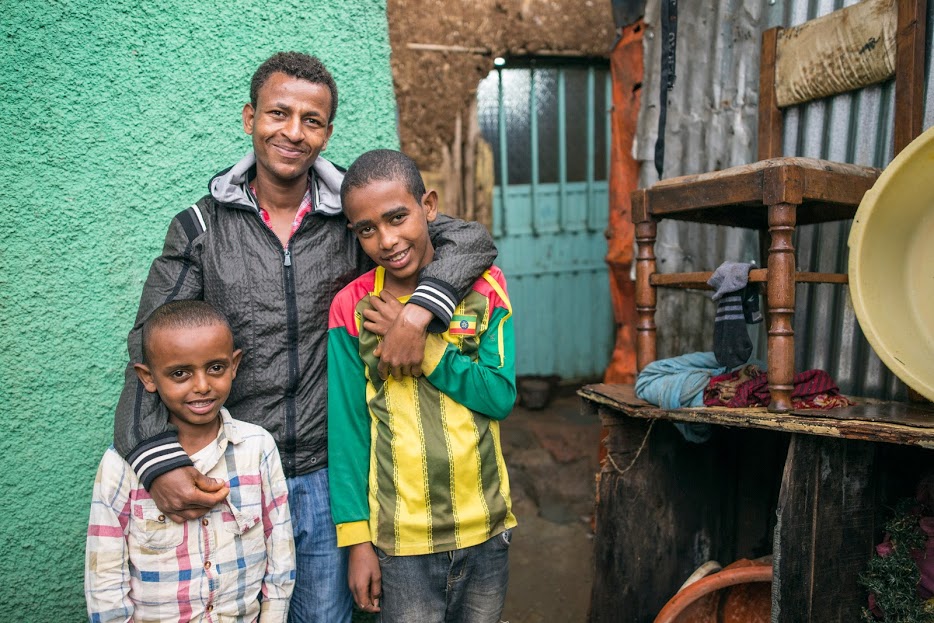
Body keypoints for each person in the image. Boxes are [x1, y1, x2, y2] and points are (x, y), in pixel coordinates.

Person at [112, 52, 496, 622]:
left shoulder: (354, 219)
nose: (293, 132)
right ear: (250, 118)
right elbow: (149, 345)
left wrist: (417, 316)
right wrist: (154, 457)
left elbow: (469, 241)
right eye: (278, 113)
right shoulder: (201, 228)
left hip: (323, 476)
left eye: (311, 120)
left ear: (327, 132)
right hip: (231, 473)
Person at [327, 149, 517, 622]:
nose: (386, 240)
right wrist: (356, 541)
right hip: (400, 538)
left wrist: (426, 347)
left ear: (428, 206)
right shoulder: (351, 308)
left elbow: (499, 396)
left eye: (397, 217)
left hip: (486, 527)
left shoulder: (485, 289)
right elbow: (349, 430)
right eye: (367, 229)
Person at [86, 300, 295, 622]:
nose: (201, 386)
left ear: (234, 364)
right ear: (148, 378)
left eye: (215, 368)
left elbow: (280, 554)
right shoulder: (120, 466)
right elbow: (105, 578)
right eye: (180, 373)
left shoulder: (258, 448)